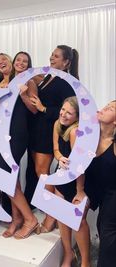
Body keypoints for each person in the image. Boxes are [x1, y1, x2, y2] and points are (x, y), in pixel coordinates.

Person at [30, 45, 78, 233]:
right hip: (38, 130)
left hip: (48, 131)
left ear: (66, 62)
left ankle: (51, 217)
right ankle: (52, 213)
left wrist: (43, 109)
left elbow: (69, 112)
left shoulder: (66, 83)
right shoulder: (49, 78)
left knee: (43, 174)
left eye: (56, 56)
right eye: (51, 54)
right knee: (40, 173)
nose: (51, 58)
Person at [0, 52, 39, 239]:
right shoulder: (2, 83)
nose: (21, 63)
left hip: (18, 133)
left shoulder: (28, 82)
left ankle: (29, 219)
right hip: (1, 133)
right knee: (11, 178)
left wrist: (23, 95)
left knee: (6, 177)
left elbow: (35, 109)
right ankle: (16, 219)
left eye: (25, 61)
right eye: (18, 60)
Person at [53, 97, 91, 267]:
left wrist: (80, 190)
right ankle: (69, 254)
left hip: (76, 180)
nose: (64, 114)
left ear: (77, 116)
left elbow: (79, 165)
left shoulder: (76, 132)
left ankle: (85, 261)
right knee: (62, 217)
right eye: (63, 109)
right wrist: (60, 157)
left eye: (69, 112)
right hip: (62, 177)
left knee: (78, 221)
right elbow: (55, 149)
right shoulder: (57, 124)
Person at [85, 100, 116, 267]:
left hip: (114, 193)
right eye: (105, 106)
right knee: (101, 226)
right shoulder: (89, 135)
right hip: (102, 193)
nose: (103, 109)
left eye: (110, 108)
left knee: (108, 231)